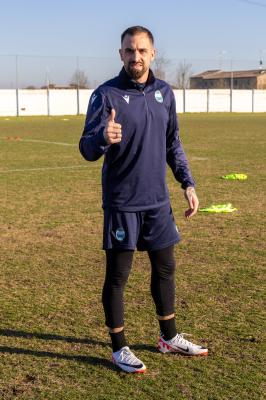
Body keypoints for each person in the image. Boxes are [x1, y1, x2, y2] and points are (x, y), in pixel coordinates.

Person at [79, 26, 208, 373]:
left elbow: (173, 143)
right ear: (120, 54)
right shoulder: (105, 95)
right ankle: (119, 347)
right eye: (129, 50)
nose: (135, 57)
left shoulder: (165, 93)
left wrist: (188, 183)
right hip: (122, 203)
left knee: (165, 268)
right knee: (118, 276)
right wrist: (103, 137)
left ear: (153, 53)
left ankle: (168, 337)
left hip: (157, 202)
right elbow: (86, 148)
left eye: (142, 50)